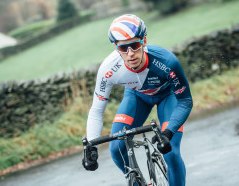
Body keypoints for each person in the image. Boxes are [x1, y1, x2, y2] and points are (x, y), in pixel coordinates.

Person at [82, 14, 193, 186]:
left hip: (167, 96)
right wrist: (91, 147)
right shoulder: (108, 69)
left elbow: (185, 100)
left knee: (170, 153)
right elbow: (97, 110)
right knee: (116, 149)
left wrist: (168, 132)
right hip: (136, 96)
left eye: (135, 45)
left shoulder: (166, 61)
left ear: (144, 41)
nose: (130, 53)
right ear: (115, 47)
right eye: (123, 48)